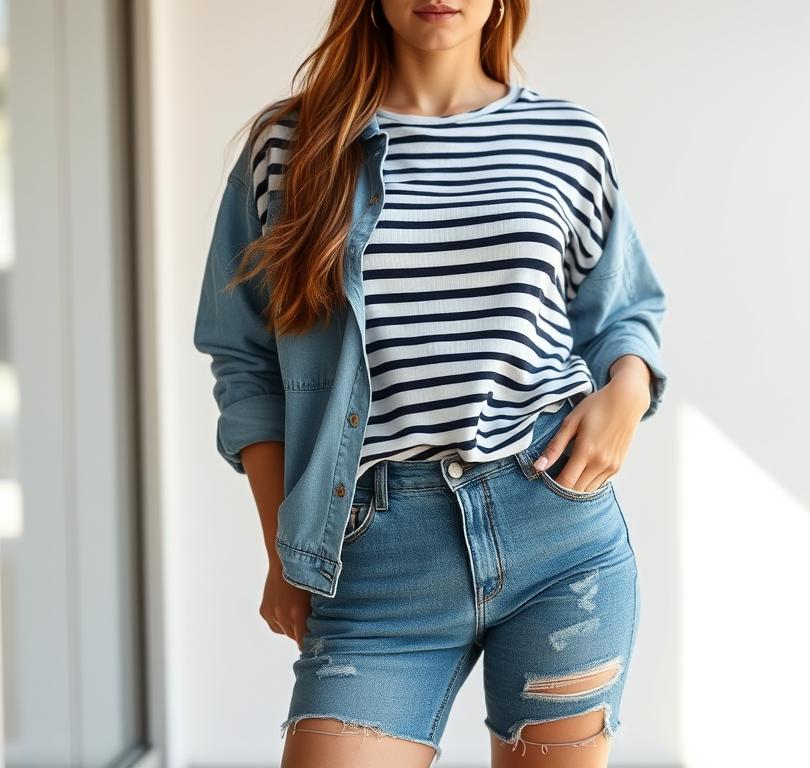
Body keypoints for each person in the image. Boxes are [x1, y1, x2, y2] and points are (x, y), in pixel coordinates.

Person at [193, 1, 669, 766]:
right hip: (373, 558)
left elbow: (623, 312)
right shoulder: (291, 145)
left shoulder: (567, 139)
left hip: (558, 534)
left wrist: (629, 391)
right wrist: (284, 545)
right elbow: (244, 359)